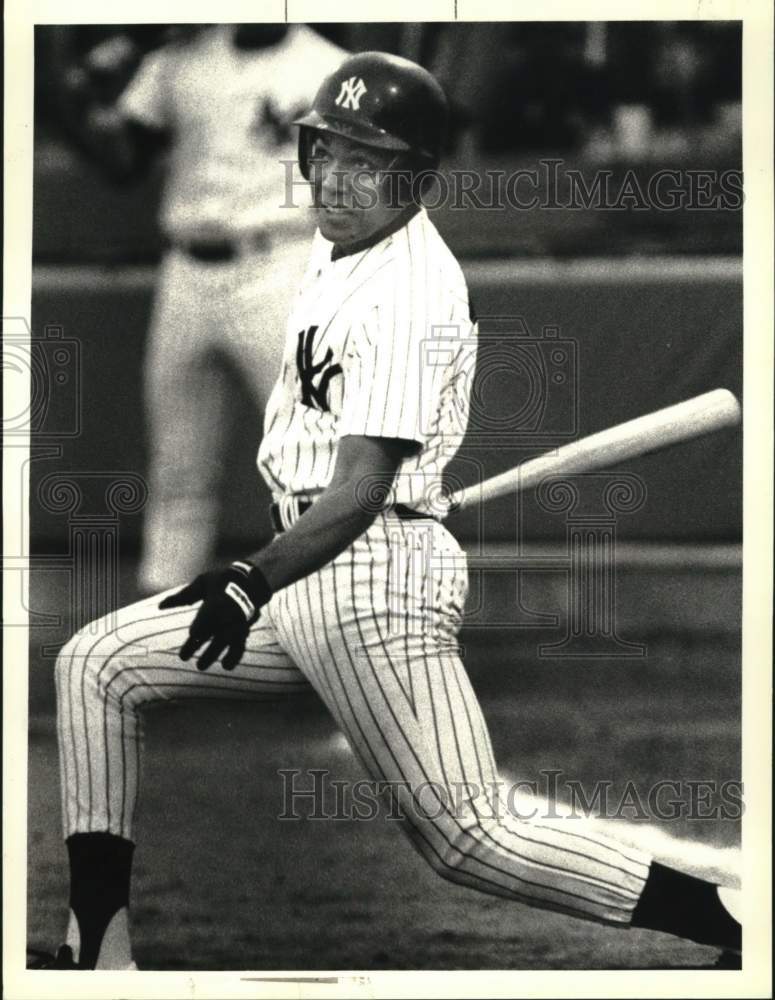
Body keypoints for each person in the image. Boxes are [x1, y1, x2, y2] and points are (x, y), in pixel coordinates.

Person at [29, 52, 741, 971]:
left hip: (370, 580)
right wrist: (267, 581)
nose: (334, 178)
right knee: (97, 666)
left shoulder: (413, 289)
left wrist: (248, 577)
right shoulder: (338, 245)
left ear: (416, 177)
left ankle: (732, 925)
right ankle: (99, 950)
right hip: (315, 573)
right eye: (324, 152)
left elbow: (360, 486)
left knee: (469, 838)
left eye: (366, 161)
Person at [57, 24, 346, 594]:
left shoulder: (331, 68)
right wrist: (62, 94)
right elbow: (122, 161)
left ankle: (335, 625)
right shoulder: (178, 59)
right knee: (178, 474)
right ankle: (160, 637)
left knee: (312, 463)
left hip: (280, 263)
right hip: (186, 272)